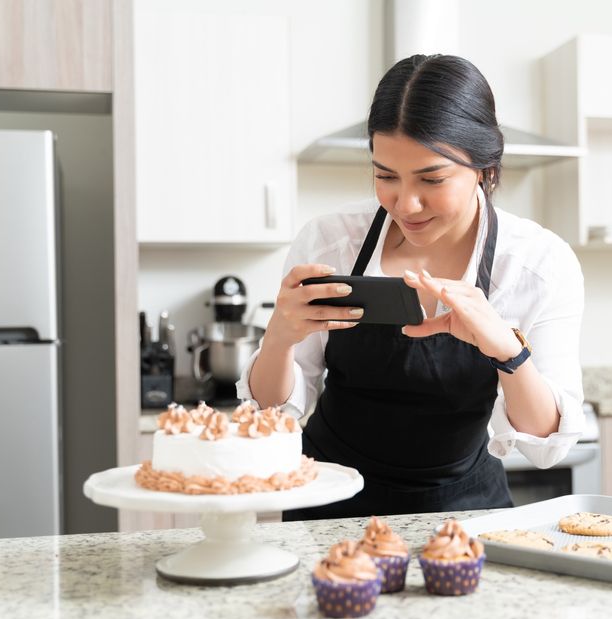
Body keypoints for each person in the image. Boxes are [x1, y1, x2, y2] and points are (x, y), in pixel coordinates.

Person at [238, 54, 584, 520]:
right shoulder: (331, 243)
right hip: (326, 504)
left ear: (483, 166)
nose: (407, 203)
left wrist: (507, 351)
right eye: (385, 176)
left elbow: (547, 445)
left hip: (464, 514)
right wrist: (279, 337)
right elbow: (269, 417)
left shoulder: (536, 265)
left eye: (432, 178)